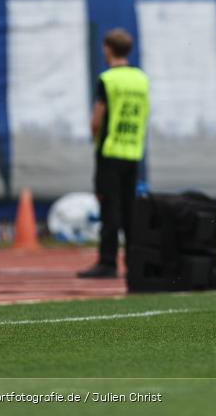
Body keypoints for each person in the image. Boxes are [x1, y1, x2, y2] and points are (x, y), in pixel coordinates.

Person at [78, 29, 150, 278]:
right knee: (130, 211)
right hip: (133, 151)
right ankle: (133, 262)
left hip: (110, 152)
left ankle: (107, 262)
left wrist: (94, 137)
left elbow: (97, 119)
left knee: (109, 208)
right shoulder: (141, 79)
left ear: (108, 48)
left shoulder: (107, 79)